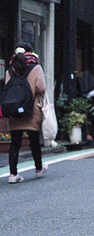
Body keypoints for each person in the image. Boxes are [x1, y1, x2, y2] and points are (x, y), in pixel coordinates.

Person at [5, 42, 47, 184]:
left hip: (14, 110)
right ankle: (38, 168)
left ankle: (12, 174)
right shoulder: (36, 67)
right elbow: (41, 88)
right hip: (31, 109)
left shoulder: (10, 68)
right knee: (34, 140)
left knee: (15, 142)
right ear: (31, 52)